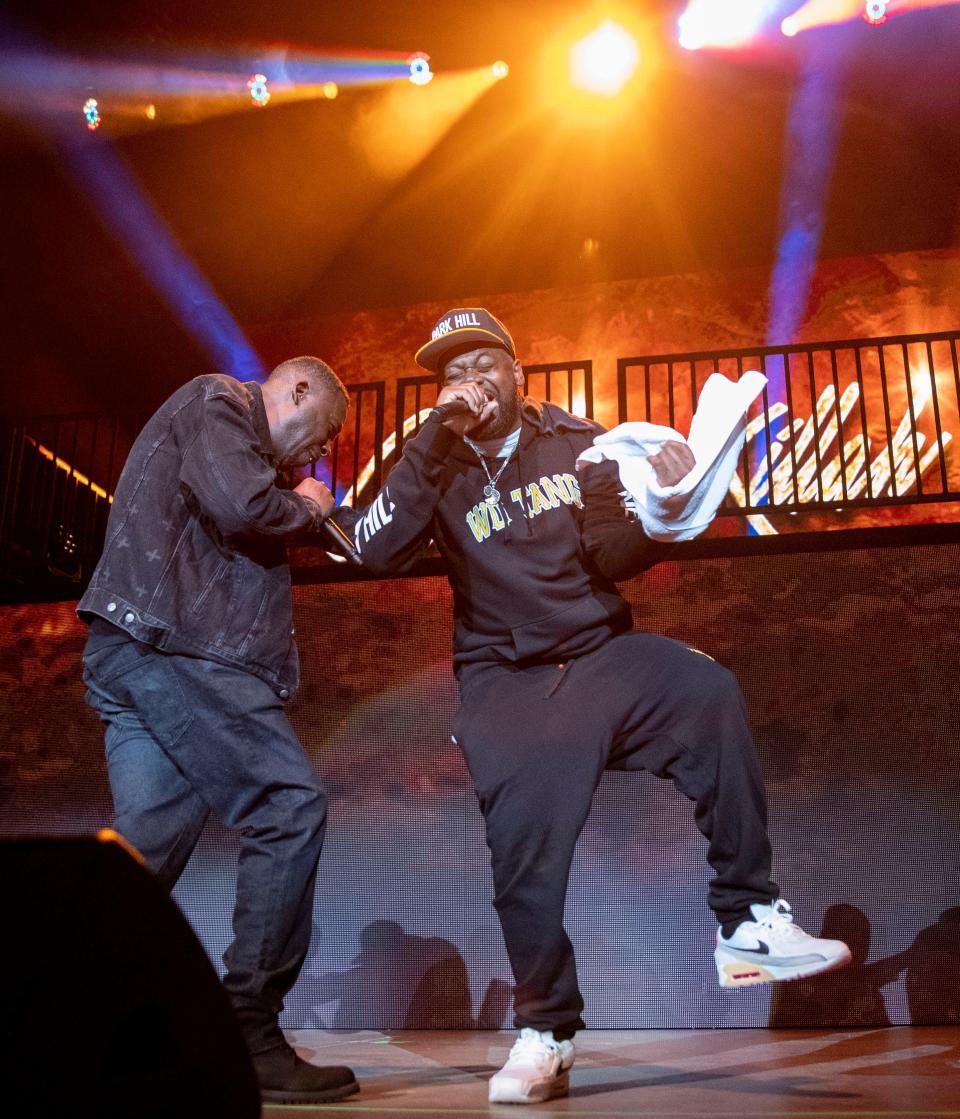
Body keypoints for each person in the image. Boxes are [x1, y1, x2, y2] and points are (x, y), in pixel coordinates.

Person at [352, 308, 852, 1105]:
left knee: (707, 689)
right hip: (506, 681)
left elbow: (612, 552)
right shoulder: (435, 465)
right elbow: (373, 546)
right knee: (524, 861)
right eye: (449, 372)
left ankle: (747, 920)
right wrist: (434, 432)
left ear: (519, 374)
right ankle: (546, 1031)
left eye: (482, 365)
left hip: (599, 655)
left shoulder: (577, 441)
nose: (466, 382)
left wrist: (666, 504)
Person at [78, 358, 359, 1106]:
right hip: (175, 646)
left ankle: (70, 1019)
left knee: (148, 844)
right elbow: (240, 505)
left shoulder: (226, 431)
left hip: (136, 650)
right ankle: (249, 1030)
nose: (315, 454)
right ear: (297, 392)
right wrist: (307, 504)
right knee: (288, 807)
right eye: (323, 430)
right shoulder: (220, 402)